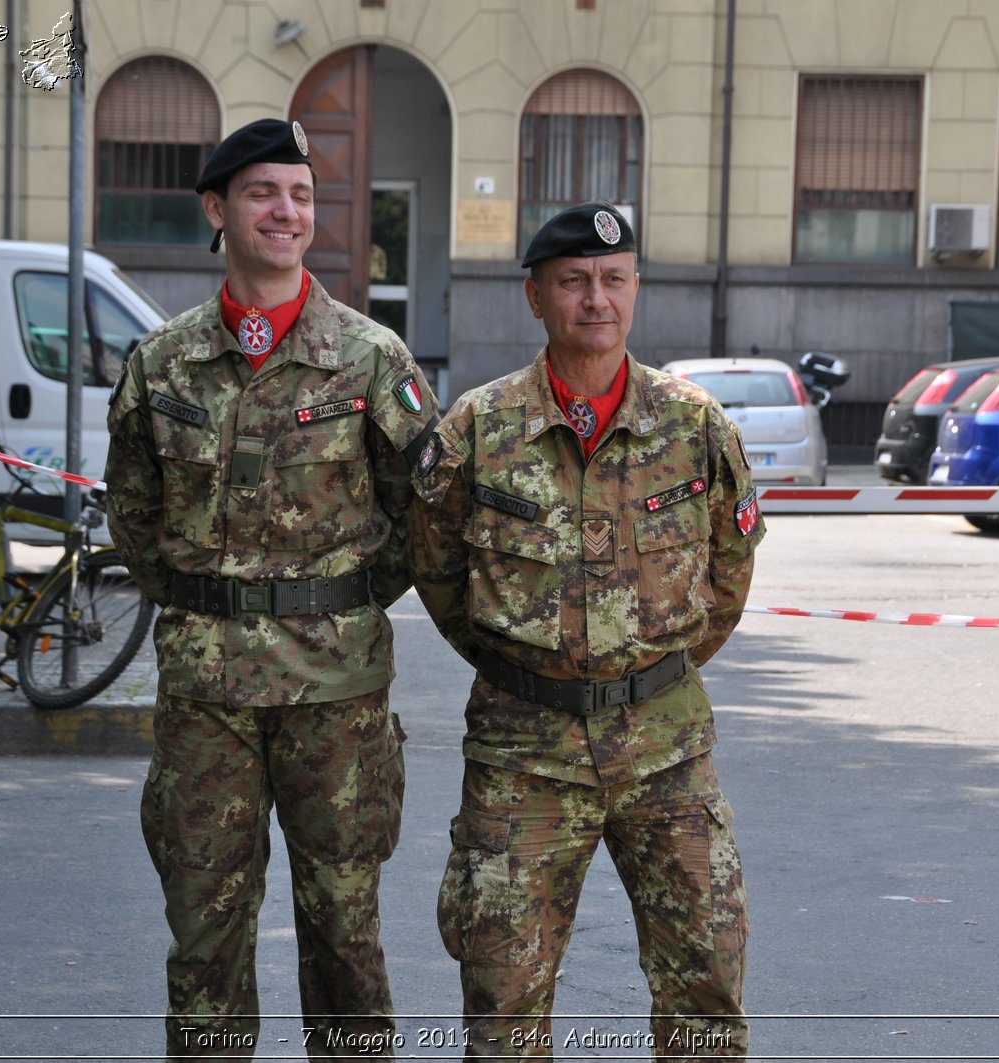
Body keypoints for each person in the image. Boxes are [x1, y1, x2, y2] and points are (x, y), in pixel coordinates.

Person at [105, 118, 440, 1059]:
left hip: (335, 696)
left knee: (343, 927)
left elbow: (425, 516)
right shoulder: (163, 362)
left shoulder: (373, 359)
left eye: (300, 194)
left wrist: (333, 603)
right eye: (263, 192)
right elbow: (134, 513)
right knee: (205, 926)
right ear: (217, 210)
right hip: (205, 697)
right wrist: (213, 606)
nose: (286, 211)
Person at [408, 203, 764, 1059]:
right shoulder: (476, 432)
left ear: (635, 287)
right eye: (573, 281)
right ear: (536, 296)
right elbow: (441, 578)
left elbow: (728, 574)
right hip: (523, 754)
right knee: (502, 999)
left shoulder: (695, 428)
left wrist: (640, 673)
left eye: (613, 279)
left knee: (706, 985)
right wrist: (539, 667)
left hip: (665, 750)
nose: (595, 298)